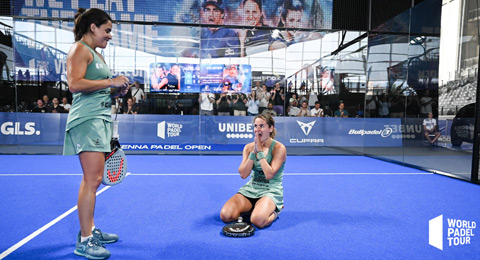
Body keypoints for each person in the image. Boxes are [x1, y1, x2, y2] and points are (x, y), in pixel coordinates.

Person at [63, 8, 130, 260]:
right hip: (87, 121)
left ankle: (89, 230)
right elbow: (75, 84)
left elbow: (95, 88)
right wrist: (111, 81)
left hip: (99, 120)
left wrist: (115, 93)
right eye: (107, 30)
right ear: (93, 28)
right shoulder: (79, 49)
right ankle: (85, 241)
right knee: (91, 181)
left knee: (94, 179)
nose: (109, 35)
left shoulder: (95, 54)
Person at [220, 114, 287, 228]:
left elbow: (269, 174)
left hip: (270, 191)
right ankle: (255, 208)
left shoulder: (279, 148)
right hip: (251, 189)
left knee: (258, 220)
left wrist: (260, 152)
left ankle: (276, 211)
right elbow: (243, 174)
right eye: (256, 126)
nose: (257, 130)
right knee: (226, 215)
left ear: (271, 128)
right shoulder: (248, 147)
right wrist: (253, 152)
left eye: (262, 126)